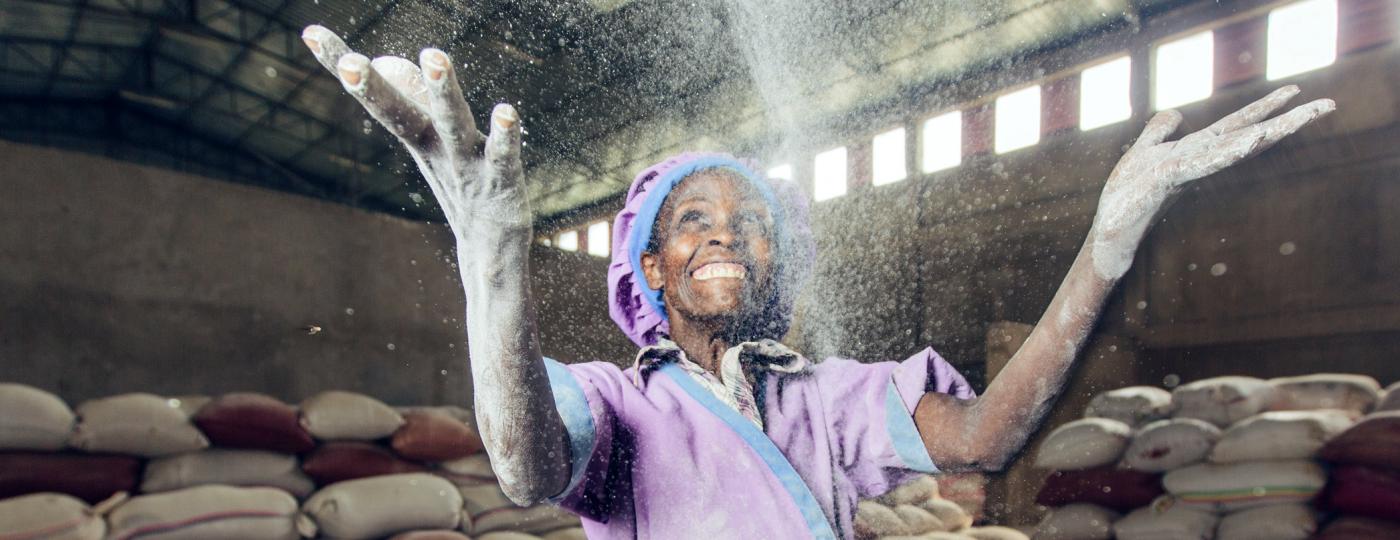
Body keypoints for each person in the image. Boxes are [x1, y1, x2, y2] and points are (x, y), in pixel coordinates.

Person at [299, 24, 1334, 539]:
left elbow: (985, 440)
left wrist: (1108, 238)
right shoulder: (617, 407)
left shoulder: (830, 397)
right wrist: (490, 256)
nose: (725, 238)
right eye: (691, 222)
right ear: (646, 267)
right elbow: (523, 471)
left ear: (774, 265)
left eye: (750, 227)